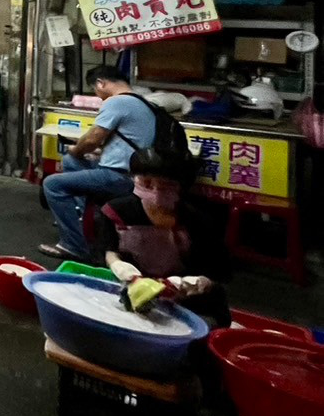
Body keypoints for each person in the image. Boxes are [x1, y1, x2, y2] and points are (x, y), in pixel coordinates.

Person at [95, 148, 229, 323]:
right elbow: (107, 251)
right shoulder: (115, 212)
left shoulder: (197, 220)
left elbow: (218, 270)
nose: (156, 192)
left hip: (186, 302)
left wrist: (198, 283)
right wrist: (118, 265)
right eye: (147, 183)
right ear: (134, 180)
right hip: (131, 294)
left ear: (181, 186)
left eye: (167, 185)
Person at [40, 65, 157, 260]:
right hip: (133, 173)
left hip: (120, 177)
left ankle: (74, 245)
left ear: (101, 83)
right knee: (71, 162)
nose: (98, 95)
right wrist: (95, 153)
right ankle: (82, 220)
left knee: (52, 185)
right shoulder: (142, 103)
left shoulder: (117, 102)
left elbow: (93, 138)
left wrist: (77, 149)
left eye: (95, 89)